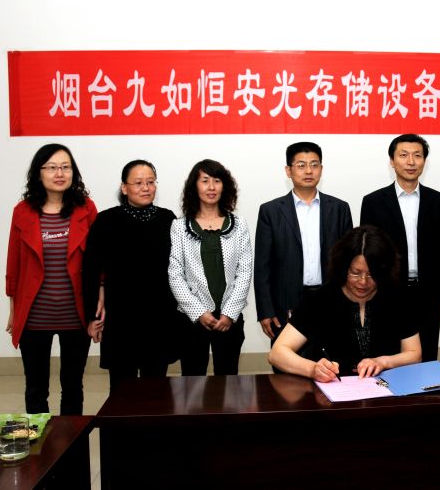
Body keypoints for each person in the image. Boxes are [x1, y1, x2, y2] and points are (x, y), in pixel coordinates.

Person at [5, 144, 96, 414]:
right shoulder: (23, 211)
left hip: (75, 315)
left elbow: (97, 261)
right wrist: (14, 309)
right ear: (39, 172)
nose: (60, 173)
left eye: (66, 167)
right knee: (35, 388)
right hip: (35, 316)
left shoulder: (86, 209)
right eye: (52, 167)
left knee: (73, 386)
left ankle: (72, 440)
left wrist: (99, 304)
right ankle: (40, 441)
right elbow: (14, 263)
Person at [268, 226, 422, 381]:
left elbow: (414, 354)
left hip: (387, 389)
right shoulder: (320, 299)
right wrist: (313, 369)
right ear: (343, 267)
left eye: (371, 274)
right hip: (332, 390)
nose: (363, 282)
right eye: (355, 273)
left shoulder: (397, 297)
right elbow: (277, 353)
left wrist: (383, 362)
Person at [360, 133, 440, 362]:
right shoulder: (373, 202)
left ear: (424, 161)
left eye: (417, 155)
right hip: (387, 292)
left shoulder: (439, 201)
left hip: (428, 294)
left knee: (427, 356)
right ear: (392, 161)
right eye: (403, 155)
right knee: (387, 355)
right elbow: (367, 253)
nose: (411, 162)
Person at [82, 160, 178, 391]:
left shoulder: (168, 219)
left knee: (156, 390)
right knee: (121, 390)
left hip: (158, 318)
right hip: (120, 319)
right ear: (124, 188)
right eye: (138, 183)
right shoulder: (106, 220)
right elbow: (91, 269)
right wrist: (92, 314)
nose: (146, 188)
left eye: (150, 182)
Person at [254, 142, 352, 347]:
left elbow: (348, 261)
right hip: (286, 303)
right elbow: (263, 266)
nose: (308, 171)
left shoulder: (339, 209)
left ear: (321, 169)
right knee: (287, 360)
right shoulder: (270, 211)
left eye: (314, 165)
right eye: (301, 165)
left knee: (333, 360)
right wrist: (265, 310)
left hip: (331, 299)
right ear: (288, 171)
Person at [168, 160, 253, 376]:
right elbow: (175, 274)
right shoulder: (179, 226)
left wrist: (229, 313)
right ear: (194, 186)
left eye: (217, 181)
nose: (211, 187)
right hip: (192, 319)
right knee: (192, 382)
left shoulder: (239, 225)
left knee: (228, 379)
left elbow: (244, 272)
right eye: (205, 181)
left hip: (229, 319)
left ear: (225, 186)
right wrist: (199, 313)